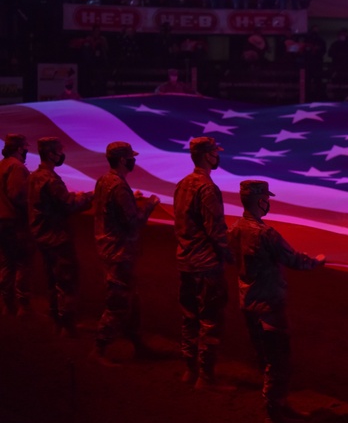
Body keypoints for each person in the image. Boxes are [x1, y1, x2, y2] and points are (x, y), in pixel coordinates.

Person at [229, 180, 328, 423]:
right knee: (279, 359)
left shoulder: (236, 229)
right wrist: (316, 262)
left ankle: (279, 405)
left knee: (265, 358)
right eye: (266, 198)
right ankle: (273, 413)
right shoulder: (266, 234)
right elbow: (293, 259)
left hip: (247, 301)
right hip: (268, 305)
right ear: (261, 200)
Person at [92, 141, 160, 364]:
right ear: (123, 160)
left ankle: (136, 343)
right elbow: (133, 222)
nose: (133, 161)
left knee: (131, 300)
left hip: (108, 248)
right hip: (119, 252)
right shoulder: (119, 186)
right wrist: (150, 205)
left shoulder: (104, 180)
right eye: (131, 157)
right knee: (119, 302)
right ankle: (100, 348)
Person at [173, 136, 233, 389]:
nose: (217, 157)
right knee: (210, 320)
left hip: (185, 261)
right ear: (208, 156)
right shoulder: (207, 188)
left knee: (189, 318)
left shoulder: (183, 184)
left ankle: (189, 370)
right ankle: (206, 376)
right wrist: (231, 255)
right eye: (215, 153)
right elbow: (215, 230)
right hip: (206, 265)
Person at [27, 137, 93, 336]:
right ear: (50, 154)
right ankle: (66, 324)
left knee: (51, 279)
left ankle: (54, 317)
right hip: (56, 237)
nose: (61, 155)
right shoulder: (50, 179)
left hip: (41, 235)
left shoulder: (34, 176)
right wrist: (88, 197)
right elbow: (67, 205)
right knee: (66, 279)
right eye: (59, 151)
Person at [0, 134, 32, 316]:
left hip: (1, 222)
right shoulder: (16, 167)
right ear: (20, 148)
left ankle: (6, 303)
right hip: (14, 222)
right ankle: (23, 305)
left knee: (6, 263)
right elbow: (18, 195)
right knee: (22, 263)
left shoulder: (1, 165)